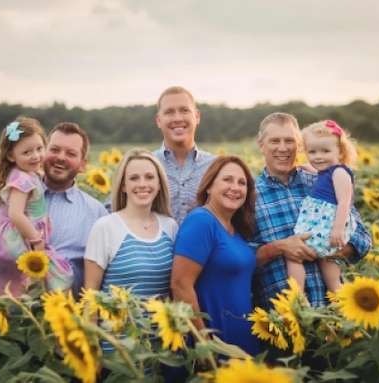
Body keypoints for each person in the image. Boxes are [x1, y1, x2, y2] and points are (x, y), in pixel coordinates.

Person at [0, 122, 108, 300]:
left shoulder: (96, 214)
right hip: (8, 310)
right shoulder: (15, 195)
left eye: (71, 153)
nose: (61, 157)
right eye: (55, 149)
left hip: (60, 318)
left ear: (83, 165)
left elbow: (105, 273)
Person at [250, 112, 371, 311]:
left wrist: (323, 249)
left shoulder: (324, 181)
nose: (282, 148)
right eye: (274, 141)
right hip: (281, 320)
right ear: (261, 145)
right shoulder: (248, 196)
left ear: (299, 145)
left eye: (289, 141)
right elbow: (238, 257)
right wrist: (278, 248)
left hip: (332, 317)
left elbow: (362, 238)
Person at [83, 148, 177, 356]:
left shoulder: (170, 227)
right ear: (123, 186)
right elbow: (90, 295)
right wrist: (92, 348)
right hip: (117, 353)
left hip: (161, 351)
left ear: (159, 183)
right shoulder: (106, 227)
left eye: (149, 177)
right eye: (134, 178)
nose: (142, 184)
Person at [170, 154, 260, 359]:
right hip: (214, 344)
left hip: (240, 343)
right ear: (209, 186)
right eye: (227, 180)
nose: (235, 187)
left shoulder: (233, 229)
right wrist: (204, 344)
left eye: (242, 183)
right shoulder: (202, 221)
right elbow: (180, 285)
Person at [289, 120, 359, 295]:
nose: (318, 157)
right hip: (325, 226)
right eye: (312, 152)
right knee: (331, 275)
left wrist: (338, 229)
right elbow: (318, 172)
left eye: (325, 151)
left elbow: (344, 201)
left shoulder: (340, 172)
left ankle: (297, 296)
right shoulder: (329, 171)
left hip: (328, 227)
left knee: (293, 255)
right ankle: (339, 302)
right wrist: (303, 166)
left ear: (341, 152)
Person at [153, 86, 216, 225]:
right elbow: (114, 210)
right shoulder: (146, 165)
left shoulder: (215, 166)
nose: (177, 118)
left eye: (184, 110)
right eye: (169, 112)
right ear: (158, 120)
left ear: (197, 116)